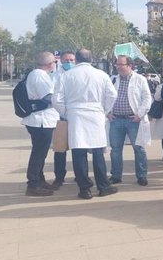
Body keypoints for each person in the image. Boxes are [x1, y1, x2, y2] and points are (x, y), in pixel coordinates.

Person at [53, 48, 118, 200]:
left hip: (76, 115)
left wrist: (66, 112)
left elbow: (57, 99)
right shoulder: (101, 75)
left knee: (78, 152)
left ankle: (84, 189)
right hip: (95, 114)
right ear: (91, 59)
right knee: (98, 152)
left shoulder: (67, 75)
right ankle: (103, 185)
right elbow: (112, 95)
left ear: (76, 59)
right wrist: (103, 110)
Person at [108, 55, 152, 186]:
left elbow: (147, 98)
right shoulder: (112, 79)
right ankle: (115, 176)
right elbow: (105, 97)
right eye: (117, 64)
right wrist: (107, 112)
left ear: (130, 66)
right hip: (116, 120)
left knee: (139, 148)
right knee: (115, 150)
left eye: (121, 64)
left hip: (134, 120)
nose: (118, 67)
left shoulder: (140, 79)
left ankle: (141, 176)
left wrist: (140, 114)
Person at [21, 51, 58, 196]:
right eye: (54, 62)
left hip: (40, 120)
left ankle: (39, 179)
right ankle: (33, 184)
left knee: (40, 153)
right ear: (50, 64)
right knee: (38, 153)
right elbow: (47, 97)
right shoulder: (40, 75)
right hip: (41, 120)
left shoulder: (36, 74)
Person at [51, 50, 75, 189]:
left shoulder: (78, 75)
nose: (69, 63)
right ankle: (59, 177)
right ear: (61, 61)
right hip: (61, 117)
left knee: (79, 148)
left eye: (71, 60)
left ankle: (79, 175)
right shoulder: (54, 77)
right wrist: (64, 112)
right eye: (66, 60)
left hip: (77, 116)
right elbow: (54, 98)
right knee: (60, 149)